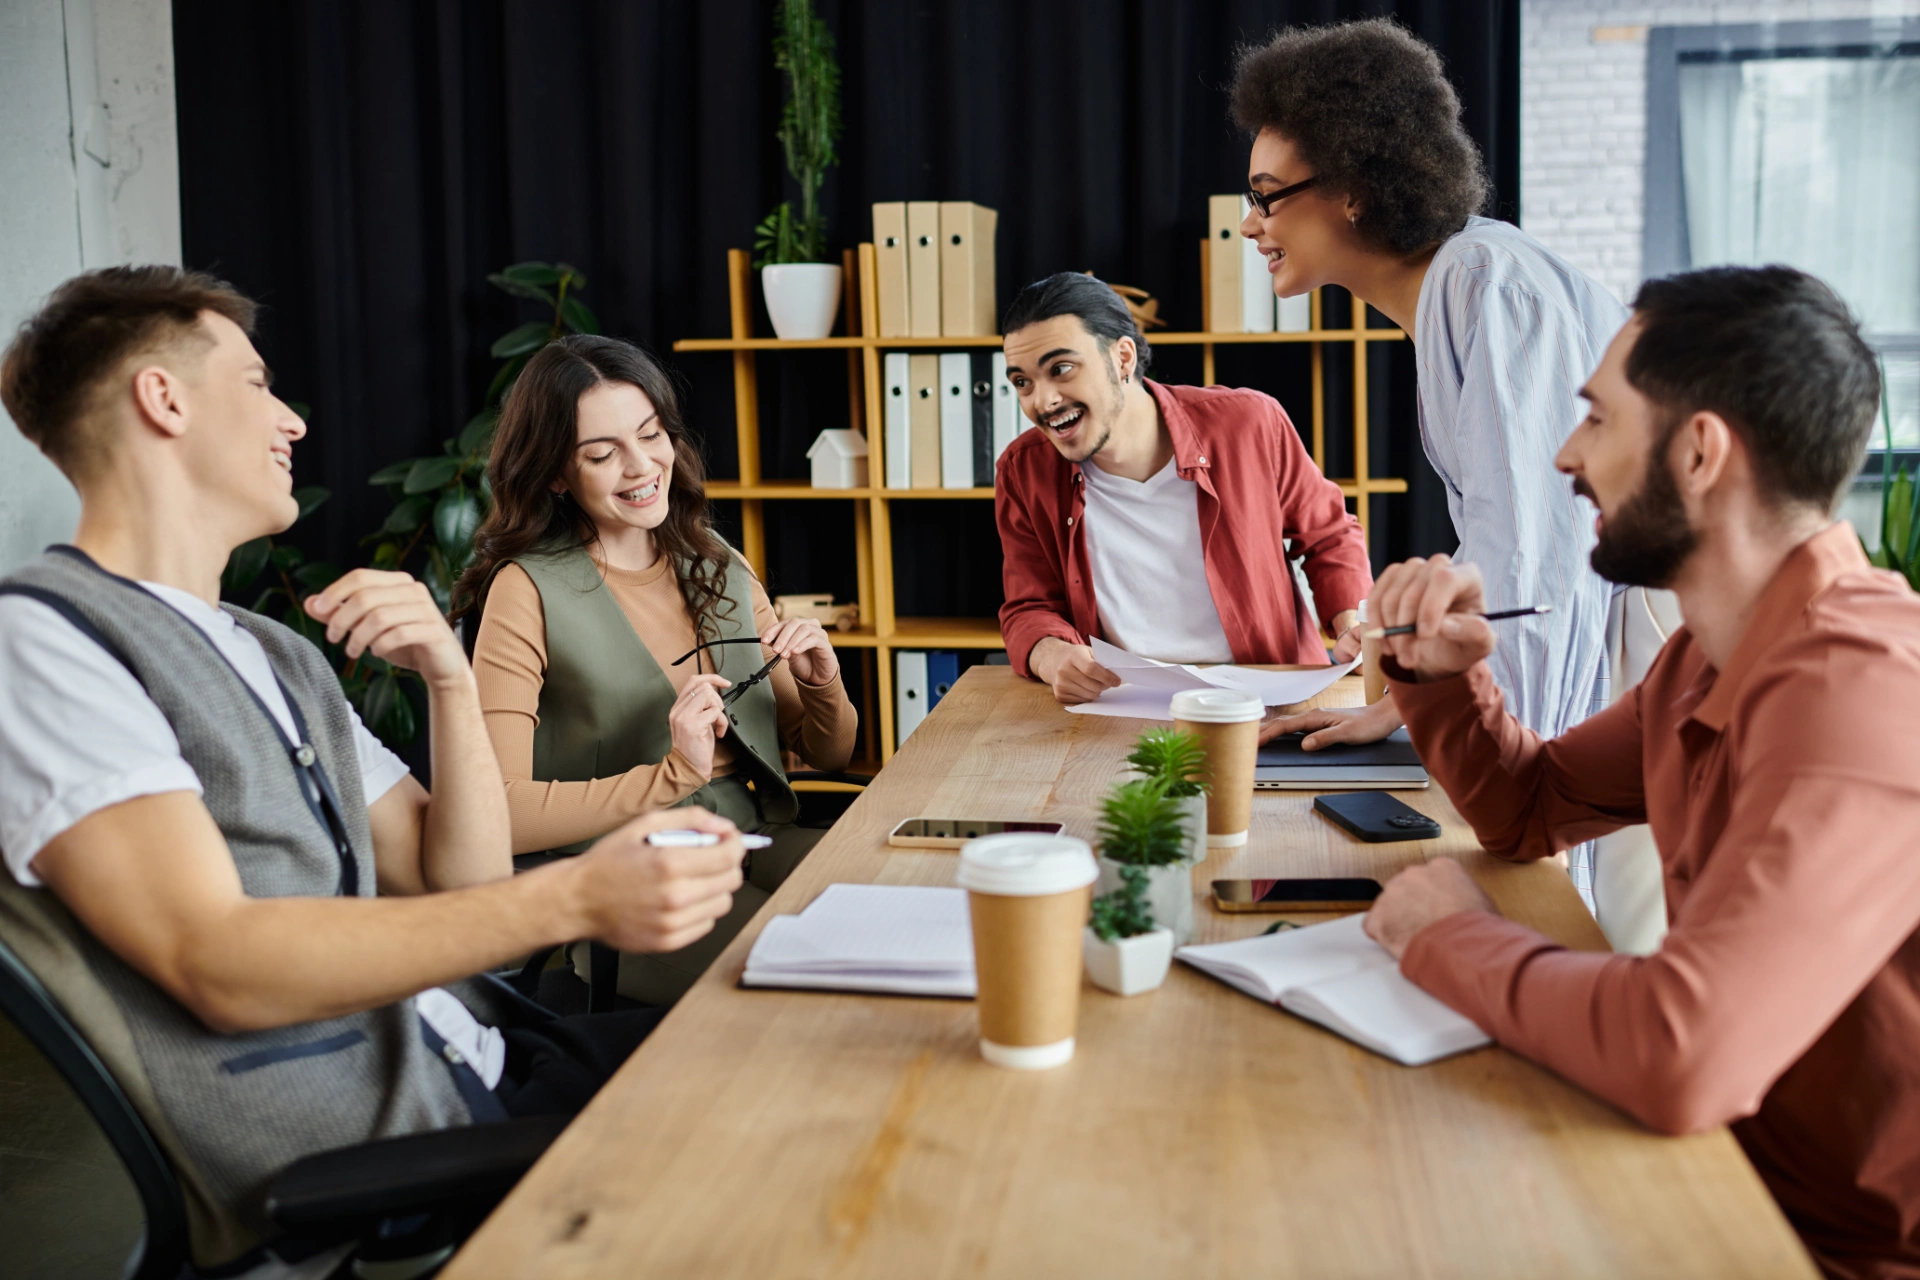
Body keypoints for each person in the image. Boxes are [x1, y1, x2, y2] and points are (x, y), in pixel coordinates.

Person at [0, 266, 748, 1274]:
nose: (294, 422)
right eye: (259, 384)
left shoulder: (270, 649)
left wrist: (447, 672)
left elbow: (463, 878)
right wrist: (576, 894)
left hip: (484, 1055)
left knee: (788, 1043)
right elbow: (216, 959)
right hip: (395, 1143)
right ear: (163, 398)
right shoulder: (43, 639)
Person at [1361, 265, 1918, 1278]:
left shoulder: (1861, 689)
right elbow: (1531, 807)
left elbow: (1682, 1050)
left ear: (1700, 450)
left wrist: (1448, 936)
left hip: (1830, 1250)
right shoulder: (1705, 654)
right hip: (1716, 1178)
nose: (1568, 456)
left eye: (1596, 418)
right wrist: (1442, 680)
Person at [1230, 19, 1624, 753]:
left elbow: (1531, 568)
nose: (1250, 225)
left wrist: (1503, 775)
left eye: (1268, 196)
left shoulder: (1486, 284)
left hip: (1628, 677)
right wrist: (1410, 709)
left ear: (1353, 188)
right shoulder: (1458, 285)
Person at [458, 335, 858, 1005]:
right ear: (557, 474)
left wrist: (823, 682)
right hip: (630, 871)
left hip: (755, 834)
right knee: (809, 982)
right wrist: (673, 773)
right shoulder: (525, 591)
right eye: (601, 453)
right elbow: (496, 812)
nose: (642, 466)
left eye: (651, 435)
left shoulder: (719, 565)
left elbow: (829, 752)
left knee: (892, 918)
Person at [995, 271, 1373, 704]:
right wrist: (1051, 655)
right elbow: (1029, 606)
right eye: (1022, 382)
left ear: (1122, 359)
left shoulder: (1248, 422)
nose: (1042, 401)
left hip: (1267, 699)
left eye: (1060, 370)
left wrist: (1351, 627)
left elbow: (1328, 536)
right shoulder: (1022, 470)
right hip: (1121, 703)